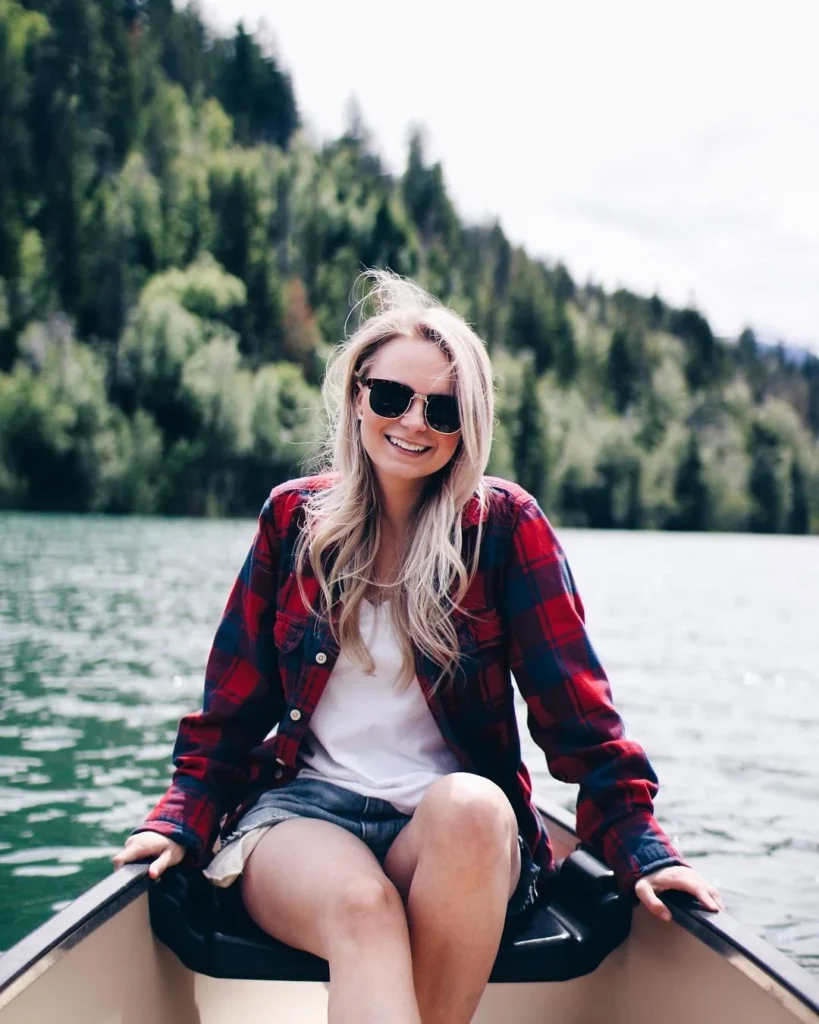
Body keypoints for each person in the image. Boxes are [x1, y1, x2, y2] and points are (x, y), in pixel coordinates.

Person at [114, 272, 723, 1024]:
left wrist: (644, 850)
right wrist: (178, 818)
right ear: (356, 396)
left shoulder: (503, 529)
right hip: (304, 819)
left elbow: (577, 716)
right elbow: (231, 711)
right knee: (362, 908)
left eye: (442, 408)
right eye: (392, 396)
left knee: (474, 807)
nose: (414, 421)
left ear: (469, 424)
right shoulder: (291, 521)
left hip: (450, 833)